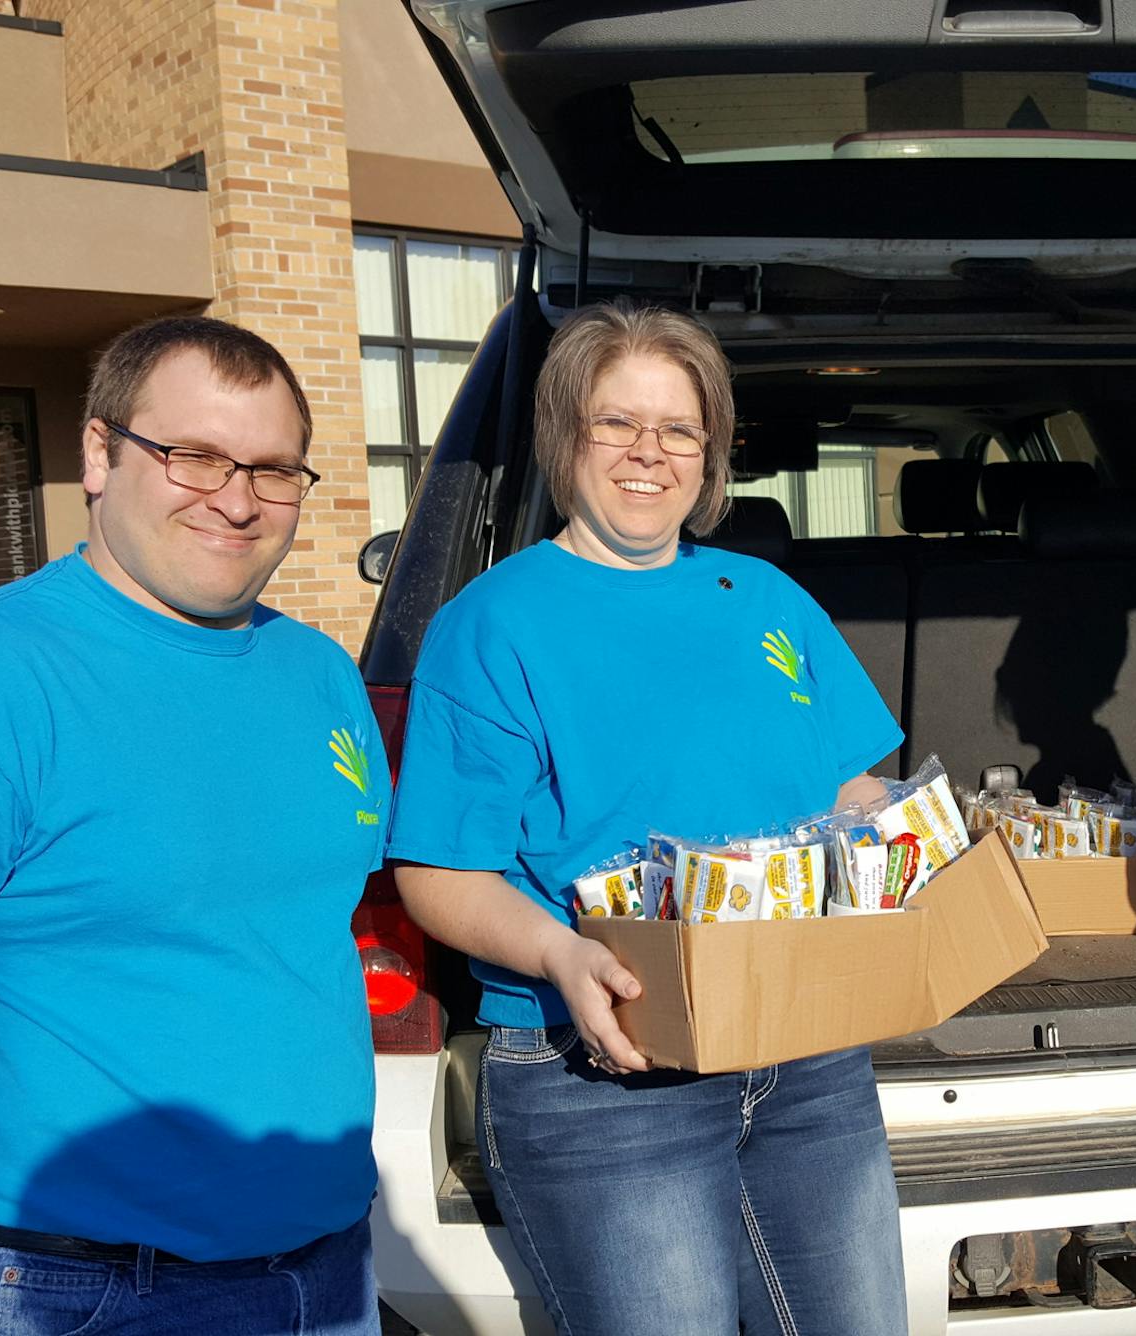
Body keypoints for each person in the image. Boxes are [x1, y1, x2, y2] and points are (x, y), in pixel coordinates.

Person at [0, 316, 388, 1334]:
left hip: (321, 1266)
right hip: (72, 1288)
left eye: (274, 469)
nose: (236, 499)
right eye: (193, 455)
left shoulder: (319, 673)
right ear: (99, 454)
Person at [387, 298, 910, 1336]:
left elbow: (852, 787)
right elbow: (439, 874)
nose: (648, 452)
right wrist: (561, 956)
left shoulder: (765, 599)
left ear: (711, 453)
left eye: (678, 427)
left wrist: (910, 838)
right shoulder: (493, 624)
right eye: (614, 422)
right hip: (610, 1067)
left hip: (807, 1053)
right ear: (563, 438)